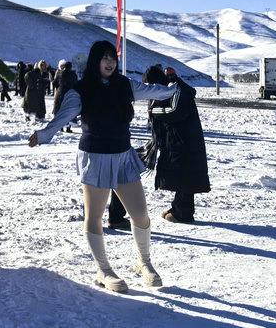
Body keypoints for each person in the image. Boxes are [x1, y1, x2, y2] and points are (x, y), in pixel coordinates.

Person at [29, 40, 177, 292]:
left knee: (140, 213)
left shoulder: (125, 85)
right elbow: (62, 117)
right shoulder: (81, 89)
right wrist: (44, 134)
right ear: (95, 60)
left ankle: (144, 262)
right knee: (95, 215)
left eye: (113, 58)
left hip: (123, 156)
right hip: (95, 157)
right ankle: (103, 270)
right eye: (104, 58)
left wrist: (173, 89)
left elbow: (152, 90)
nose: (110, 62)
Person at [140, 65, 210, 223]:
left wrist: (154, 111)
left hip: (184, 142)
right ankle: (177, 207)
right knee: (181, 176)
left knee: (185, 177)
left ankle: (183, 213)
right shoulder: (171, 89)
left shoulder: (176, 90)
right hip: (181, 140)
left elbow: (175, 111)